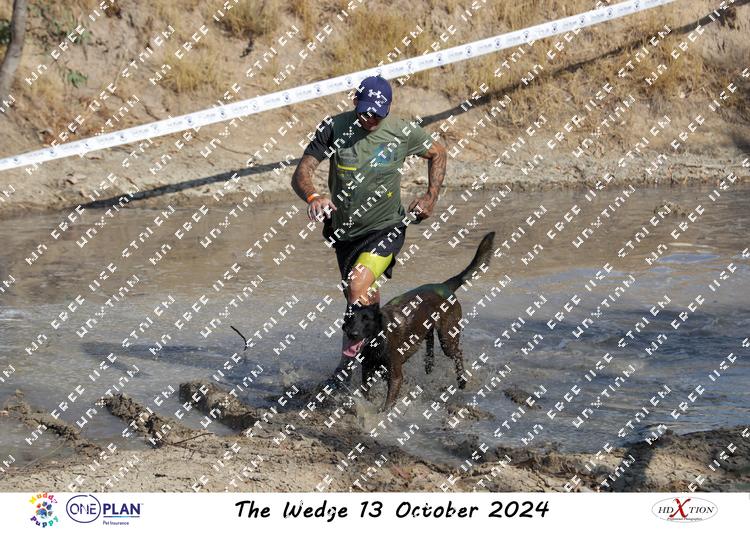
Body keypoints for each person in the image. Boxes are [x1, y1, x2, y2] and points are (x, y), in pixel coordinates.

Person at [290, 75, 447, 393]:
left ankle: (345, 369)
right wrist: (314, 196)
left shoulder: (402, 131)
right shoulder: (334, 128)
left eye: (377, 113)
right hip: (345, 235)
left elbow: (438, 152)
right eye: (365, 112)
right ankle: (383, 358)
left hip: (386, 227)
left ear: (388, 109)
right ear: (355, 103)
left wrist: (431, 196)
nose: (370, 118)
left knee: (356, 284)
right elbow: (302, 172)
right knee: (364, 300)